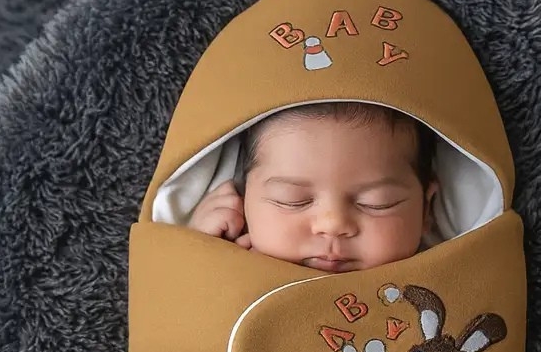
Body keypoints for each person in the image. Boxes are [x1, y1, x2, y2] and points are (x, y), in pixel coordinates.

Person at [186, 102, 439, 273]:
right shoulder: (228, 271)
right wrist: (198, 258)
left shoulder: (445, 276)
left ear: (426, 209)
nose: (332, 224)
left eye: (377, 203)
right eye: (292, 200)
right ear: (244, 200)